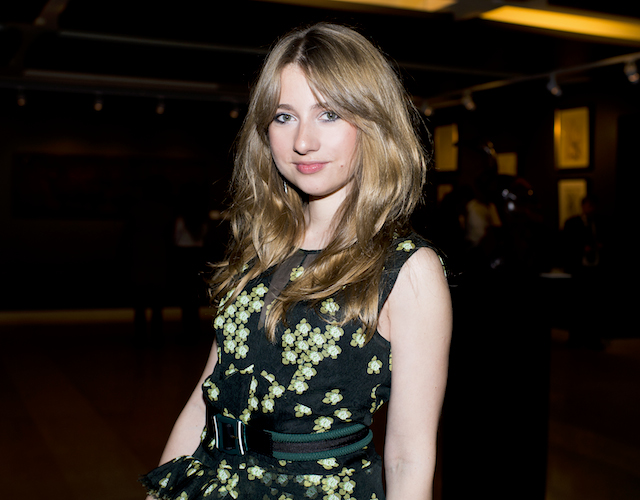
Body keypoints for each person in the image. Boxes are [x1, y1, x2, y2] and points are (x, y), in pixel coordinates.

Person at [141, 23, 452, 500]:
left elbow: (409, 457)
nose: (303, 141)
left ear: (373, 123)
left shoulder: (407, 269)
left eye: (329, 114)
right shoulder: (260, 248)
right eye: (284, 117)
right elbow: (207, 398)